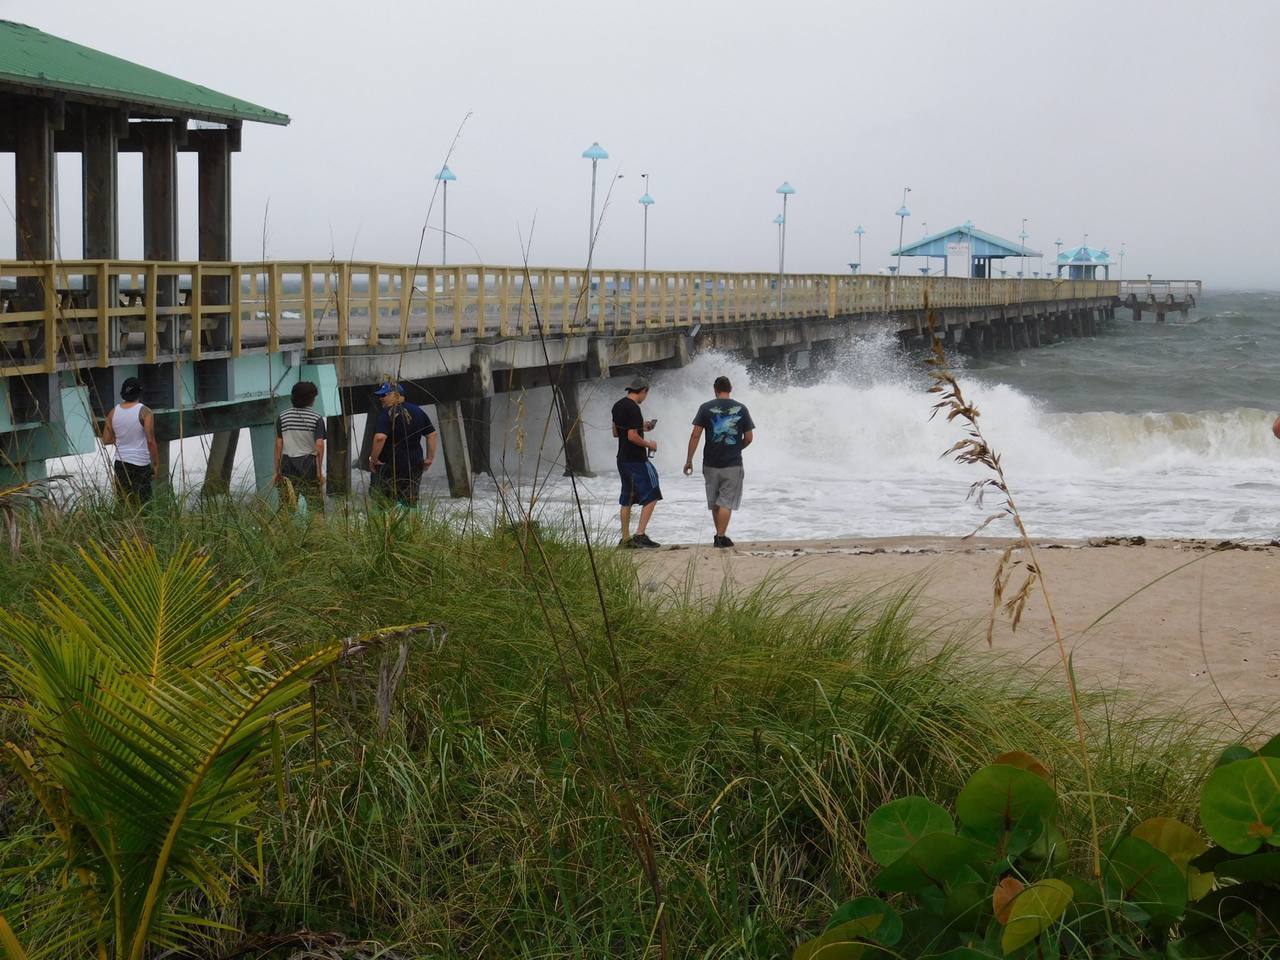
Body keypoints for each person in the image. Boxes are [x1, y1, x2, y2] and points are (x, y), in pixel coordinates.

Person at [683, 375, 755, 548]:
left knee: (716, 502)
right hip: (733, 463)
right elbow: (749, 438)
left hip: (710, 463)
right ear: (730, 389)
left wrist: (689, 460)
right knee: (726, 502)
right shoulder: (741, 408)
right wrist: (737, 448)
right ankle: (721, 536)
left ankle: (719, 535)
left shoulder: (705, 408)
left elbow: (695, 435)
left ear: (715, 390)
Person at [368, 381, 436, 507]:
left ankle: (386, 525)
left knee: (384, 502)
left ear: (396, 395)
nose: (380, 399)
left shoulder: (387, 414)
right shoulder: (418, 411)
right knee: (410, 500)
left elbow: (379, 438)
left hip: (390, 465)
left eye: (384, 395)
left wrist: (373, 459)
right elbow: (431, 434)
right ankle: (413, 525)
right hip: (414, 464)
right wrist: (429, 458)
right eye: (380, 396)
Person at [611, 376, 661, 548]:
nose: (645, 397)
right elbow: (632, 437)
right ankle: (640, 534)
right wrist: (650, 444)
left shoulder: (617, 406)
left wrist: (642, 427)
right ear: (643, 391)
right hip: (636, 459)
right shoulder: (634, 408)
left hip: (622, 459)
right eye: (646, 394)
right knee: (653, 492)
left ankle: (625, 539)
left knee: (627, 498)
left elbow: (617, 433)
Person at [101, 376, 159, 504]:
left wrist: (120, 437)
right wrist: (155, 464)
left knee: (124, 501)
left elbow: (105, 440)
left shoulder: (113, 412)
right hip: (140, 464)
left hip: (120, 463)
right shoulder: (145, 412)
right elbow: (150, 441)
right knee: (144, 503)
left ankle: (124, 523)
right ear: (140, 393)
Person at [273, 380, 326, 508]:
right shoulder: (316, 418)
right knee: (315, 506)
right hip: (308, 465)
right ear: (311, 399)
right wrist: (319, 472)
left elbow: (279, 445)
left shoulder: (282, 417)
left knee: (286, 506)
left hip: (287, 464)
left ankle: (286, 528)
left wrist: (277, 471)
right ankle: (317, 528)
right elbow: (319, 445)